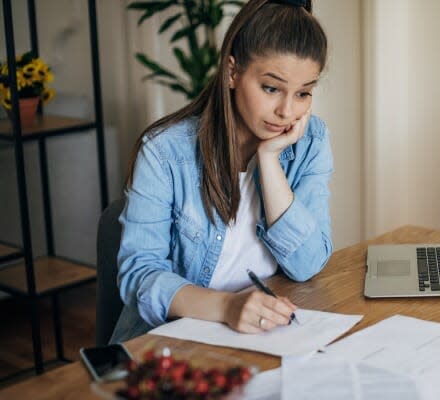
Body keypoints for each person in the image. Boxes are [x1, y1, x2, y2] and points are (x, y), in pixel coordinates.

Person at [110, 0, 332, 343]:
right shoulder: (165, 152)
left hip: (265, 336)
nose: (287, 111)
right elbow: (140, 275)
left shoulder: (309, 140)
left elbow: (308, 264)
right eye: (271, 88)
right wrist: (228, 307)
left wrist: (270, 160)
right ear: (232, 72)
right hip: (171, 343)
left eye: (303, 93)